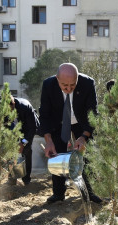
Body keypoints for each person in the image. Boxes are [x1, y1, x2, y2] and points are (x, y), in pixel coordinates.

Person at [39, 63, 102, 203]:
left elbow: (92, 113)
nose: (68, 89)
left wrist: (84, 137)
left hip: (81, 123)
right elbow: (44, 114)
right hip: (59, 123)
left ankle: (89, 193)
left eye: (72, 85)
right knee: (56, 156)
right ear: (57, 78)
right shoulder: (48, 85)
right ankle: (58, 194)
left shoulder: (88, 83)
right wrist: (48, 140)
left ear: (78, 78)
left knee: (87, 156)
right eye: (64, 86)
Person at [8, 95, 39, 186]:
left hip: (27, 129)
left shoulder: (25, 107)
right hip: (12, 130)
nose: (8, 112)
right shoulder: (0, 110)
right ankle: (12, 178)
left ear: (13, 104)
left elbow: (32, 129)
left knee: (27, 150)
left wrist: (23, 143)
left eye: (10, 109)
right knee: (10, 152)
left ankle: (26, 179)